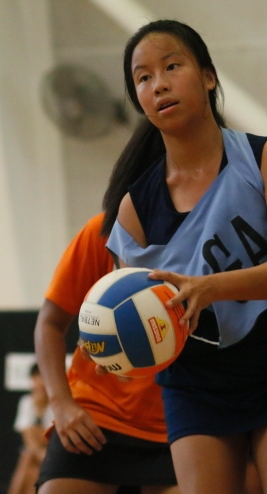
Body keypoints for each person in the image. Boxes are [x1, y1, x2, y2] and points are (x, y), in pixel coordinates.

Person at [104, 19, 267, 494]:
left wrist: (213, 288)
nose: (159, 84)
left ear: (208, 76)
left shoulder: (265, 157)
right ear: (139, 100)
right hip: (196, 383)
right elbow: (145, 317)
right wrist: (117, 341)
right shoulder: (133, 210)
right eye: (143, 78)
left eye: (172, 66)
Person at [33, 212, 179, 494]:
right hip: (95, 419)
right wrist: (62, 403)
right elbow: (49, 324)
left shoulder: (207, 235)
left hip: (179, 422)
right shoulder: (103, 231)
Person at [7, 364, 53, 494]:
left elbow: (50, 438)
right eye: (38, 377)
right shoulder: (26, 402)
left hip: (52, 453)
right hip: (35, 455)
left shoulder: (58, 404)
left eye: (45, 378)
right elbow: (28, 438)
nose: (41, 382)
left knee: (30, 464)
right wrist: (38, 410)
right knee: (28, 460)